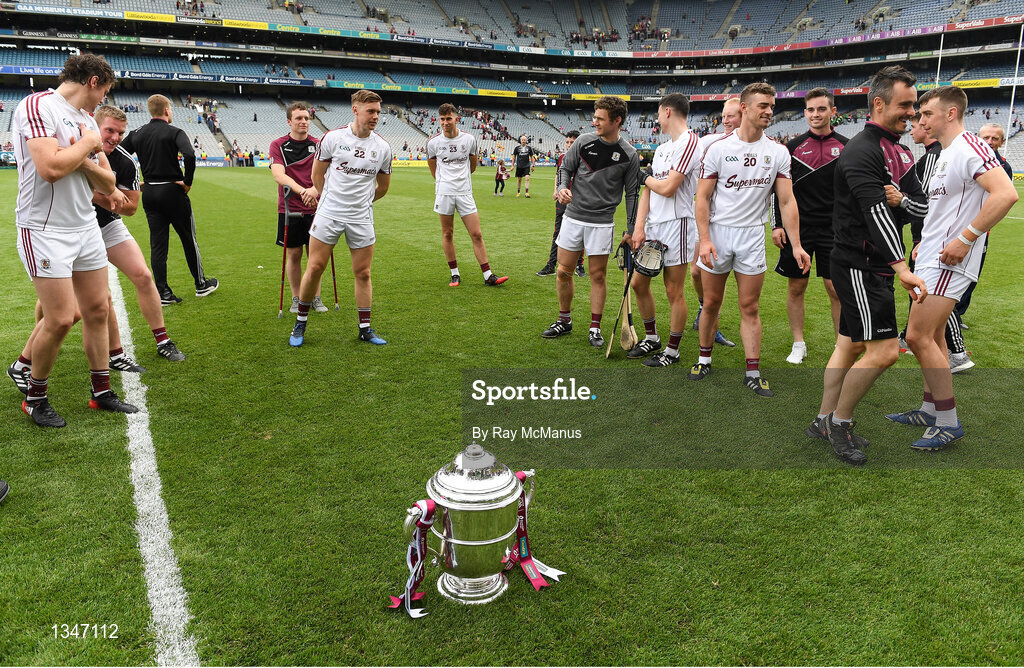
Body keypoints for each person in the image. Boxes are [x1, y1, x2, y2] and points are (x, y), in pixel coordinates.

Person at [8, 105, 186, 392]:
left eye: (120, 133)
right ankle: (54, 352)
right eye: (109, 131)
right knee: (70, 306)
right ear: (92, 126)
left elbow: (129, 208)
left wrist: (95, 192)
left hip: (105, 225)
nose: (115, 137)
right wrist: (103, 191)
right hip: (67, 229)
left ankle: (162, 340)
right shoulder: (68, 145)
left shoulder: (126, 162)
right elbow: (53, 175)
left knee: (142, 275)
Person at [887, 86, 1017, 450]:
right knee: (935, 337)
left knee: (916, 337)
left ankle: (947, 422)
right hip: (932, 255)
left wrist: (966, 238)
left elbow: (1006, 194)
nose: (920, 119)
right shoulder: (945, 153)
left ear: (950, 114)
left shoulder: (970, 146)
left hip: (948, 261)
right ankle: (930, 409)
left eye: (926, 113)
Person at [12, 54, 138, 428]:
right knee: (61, 318)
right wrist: (87, 148)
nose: (103, 101)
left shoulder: (87, 123)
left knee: (98, 309)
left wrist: (81, 156)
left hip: (85, 227)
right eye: (105, 92)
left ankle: (102, 392)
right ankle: (35, 398)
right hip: (44, 228)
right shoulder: (37, 105)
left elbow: (109, 183)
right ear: (94, 81)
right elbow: (50, 169)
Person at [813, 65, 929, 465]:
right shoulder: (863, 150)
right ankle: (839, 424)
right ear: (878, 103)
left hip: (871, 264)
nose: (911, 113)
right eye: (905, 105)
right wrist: (901, 266)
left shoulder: (900, 150)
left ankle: (823, 419)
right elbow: (877, 212)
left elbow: (920, 203)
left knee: (848, 346)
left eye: (914, 105)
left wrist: (905, 204)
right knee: (884, 352)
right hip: (860, 265)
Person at [690, 83, 808, 397]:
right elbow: (701, 198)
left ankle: (752, 372)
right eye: (763, 106)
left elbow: (786, 202)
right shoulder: (718, 148)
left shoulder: (778, 152)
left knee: (750, 306)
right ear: (744, 108)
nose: (769, 111)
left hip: (753, 237)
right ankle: (704, 358)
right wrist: (704, 240)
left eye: (772, 106)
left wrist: (796, 245)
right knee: (711, 303)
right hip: (719, 233)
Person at [288, 89, 392, 347]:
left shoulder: (382, 147)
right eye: (371, 111)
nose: (375, 116)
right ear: (355, 109)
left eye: (378, 112)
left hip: (361, 217)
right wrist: (330, 199)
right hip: (329, 213)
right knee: (315, 267)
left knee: (363, 273)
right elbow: (316, 177)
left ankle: (365, 329)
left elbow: (383, 187)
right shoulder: (332, 138)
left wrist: (361, 203)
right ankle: (300, 324)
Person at [542, 96, 640, 348]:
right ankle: (564, 320)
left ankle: (594, 328)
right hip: (573, 217)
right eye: (594, 116)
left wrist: (631, 230)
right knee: (563, 271)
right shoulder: (584, 142)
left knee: (597, 276)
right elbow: (566, 168)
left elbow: (631, 194)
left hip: (602, 222)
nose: (593, 121)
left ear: (616, 121)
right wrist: (562, 187)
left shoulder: (629, 154)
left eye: (599, 118)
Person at [771, 88, 847, 364]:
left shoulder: (847, 147)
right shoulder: (790, 148)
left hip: (835, 230)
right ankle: (798, 343)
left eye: (822, 109)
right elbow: (779, 193)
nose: (816, 114)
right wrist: (777, 225)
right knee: (796, 287)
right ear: (805, 113)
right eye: (811, 110)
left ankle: (841, 345)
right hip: (798, 230)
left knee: (835, 289)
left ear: (833, 112)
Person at [119, 94, 218, 305]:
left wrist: (135, 183)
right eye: (171, 110)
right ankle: (201, 284)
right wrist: (188, 181)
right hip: (173, 191)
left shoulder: (137, 133)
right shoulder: (175, 132)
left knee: (158, 244)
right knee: (188, 239)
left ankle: (163, 293)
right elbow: (190, 155)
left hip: (150, 193)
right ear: (166, 111)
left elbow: (119, 155)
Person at [626, 93, 701, 367]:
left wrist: (644, 177)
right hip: (654, 226)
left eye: (658, 113)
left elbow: (668, 188)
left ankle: (672, 350)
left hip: (678, 224)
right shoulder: (661, 149)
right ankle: (652, 338)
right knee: (638, 282)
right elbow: (648, 191)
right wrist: (638, 227)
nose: (657, 118)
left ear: (667, 111)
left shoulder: (691, 142)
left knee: (673, 290)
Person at [427, 103, 508, 288]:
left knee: (476, 234)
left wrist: (459, 180)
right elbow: (433, 167)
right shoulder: (433, 142)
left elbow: (472, 166)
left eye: (449, 118)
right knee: (447, 233)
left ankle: (488, 275)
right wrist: (443, 182)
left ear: (457, 118)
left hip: (464, 192)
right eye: (442, 119)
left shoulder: (469, 139)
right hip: (444, 193)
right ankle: (454, 274)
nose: (445, 122)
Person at [269, 101, 326, 313]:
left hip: (317, 207)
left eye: (306, 118)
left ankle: (315, 297)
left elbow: (326, 174)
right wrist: (303, 191)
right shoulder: (278, 145)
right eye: (299, 118)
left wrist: (314, 190)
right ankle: (296, 297)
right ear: (289, 121)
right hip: (290, 208)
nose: (304, 122)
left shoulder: (319, 143)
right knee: (293, 255)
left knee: (316, 257)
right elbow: (278, 174)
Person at [955, 122, 1013, 322]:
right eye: (985, 137)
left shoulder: (1004, 166)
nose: (989, 142)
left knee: (971, 276)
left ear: (1002, 141)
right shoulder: (965, 158)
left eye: (994, 138)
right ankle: (946, 314)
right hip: (956, 227)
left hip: (980, 232)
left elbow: (1003, 200)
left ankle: (958, 315)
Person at [692, 99, 738, 348]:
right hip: (700, 217)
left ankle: (711, 320)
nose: (726, 121)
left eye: (731, 116)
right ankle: (703, 308)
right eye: (723, 116)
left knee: (715, 275)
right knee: (696, 271)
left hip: (725, 224)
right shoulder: (708, 142)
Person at [537, 131, 585, 278]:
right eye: (567, 142)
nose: (569, 145)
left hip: (579, 201)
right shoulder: (562, 158)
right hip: (563, 199)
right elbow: (559, 175)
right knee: (558, 231)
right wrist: (556, 191)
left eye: (572, 142)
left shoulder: (584, 159)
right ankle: (551, 264)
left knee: (580, 232)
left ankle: (579, 265)